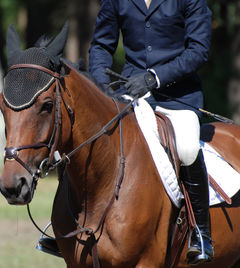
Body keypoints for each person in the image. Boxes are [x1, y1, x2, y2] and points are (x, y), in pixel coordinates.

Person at [88, 0, 213, 265]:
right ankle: (69, 226)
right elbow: (101, 45)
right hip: (130, 93)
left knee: (188, 148)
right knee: (90, 138)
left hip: (178, 96)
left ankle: (200, 233)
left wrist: (154, 77)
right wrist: (101, 85)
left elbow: (198, 50)